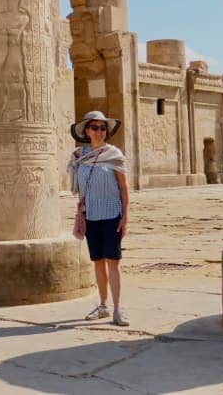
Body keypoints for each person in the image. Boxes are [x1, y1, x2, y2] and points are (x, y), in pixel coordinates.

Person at [67, 110, 130, 326]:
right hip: (91, 215)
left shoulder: (114, 154)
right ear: (86, 130)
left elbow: (123, 188)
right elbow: (76, 184)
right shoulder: (78, 156)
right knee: (98, 262)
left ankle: (118, 309)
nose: (100, 131)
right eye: (95, 127)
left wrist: (125, 217)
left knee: (114, 263)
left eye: (103, 128)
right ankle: (102, 306)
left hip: (112, 214)